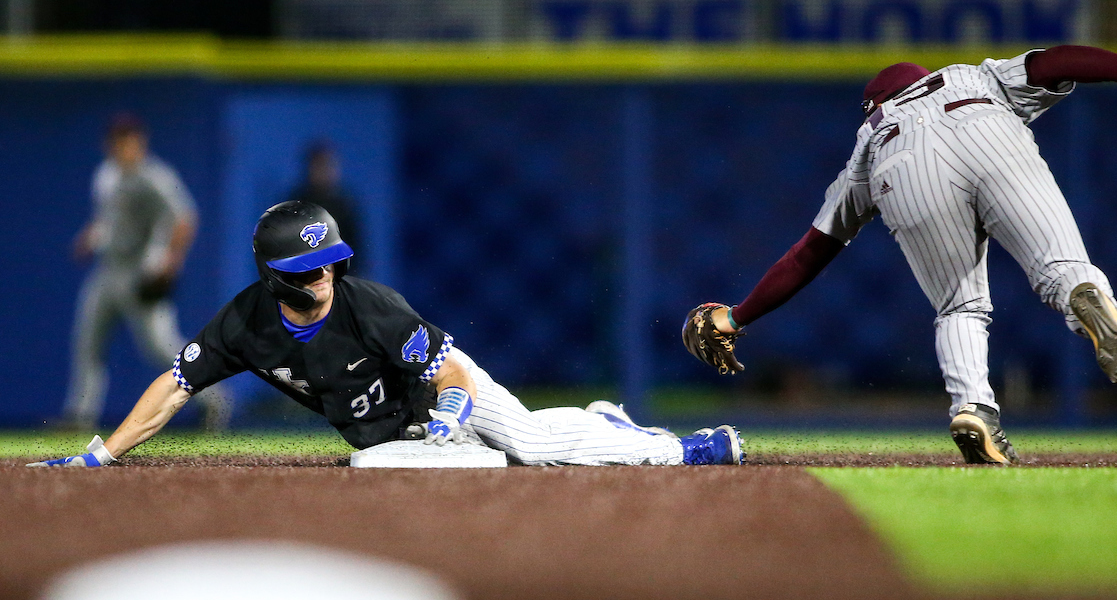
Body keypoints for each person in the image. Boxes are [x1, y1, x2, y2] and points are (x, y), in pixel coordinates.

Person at [683, 45, 1117, 464]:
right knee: (1061, 268)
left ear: (872, 105)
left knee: (960, 305)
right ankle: (1082, 292)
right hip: (984, 123)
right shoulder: (971, 74)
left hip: (900, 164)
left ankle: (974, 409)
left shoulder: (869, 138)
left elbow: (809, 252)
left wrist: (737, 315)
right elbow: (1050, 63)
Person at [31, 201, 742, 467]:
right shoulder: (244, 323)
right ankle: (600, 422)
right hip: (389, 436)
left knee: (530, 447)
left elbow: (449, 372)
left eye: (328, 263)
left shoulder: (369, 306)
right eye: (306, 268)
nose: (322, 275)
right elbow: (176, 384)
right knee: (385, 465)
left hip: (444, 399)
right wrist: (102, 454)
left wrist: (454, 408)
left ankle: (686, 448)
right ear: (275, 275)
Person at [61, 113, 230, 431]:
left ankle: (213, 399)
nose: (123, 145)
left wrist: (172, 261)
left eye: (128, 139)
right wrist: (90, 237)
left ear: (140, 141)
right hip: (107, 269)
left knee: (159, 346)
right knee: (87, 342)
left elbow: (185, 217)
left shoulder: (155, 177)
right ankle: (79, 415)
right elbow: (107, 220)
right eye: (117, 140)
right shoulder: (106, 175)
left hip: (140, 272)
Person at [291, 141, 364, 273]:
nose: (324, 171)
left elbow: (355, 249)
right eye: (319, 165)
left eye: (328, 165)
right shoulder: (295, 205)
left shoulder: (344, 206)